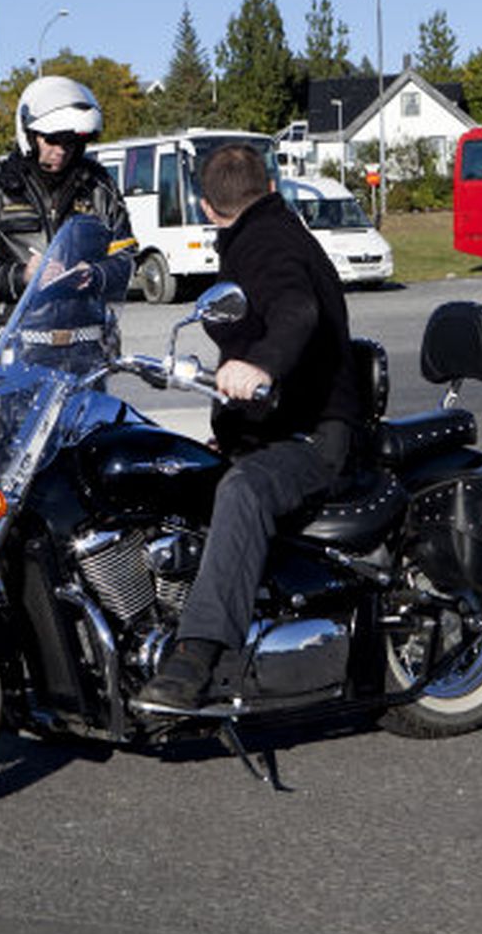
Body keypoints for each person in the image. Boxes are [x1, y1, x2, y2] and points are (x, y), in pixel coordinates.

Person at [139, 143, 361, 709]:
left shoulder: (267, 242)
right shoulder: (266, 231)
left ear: (206, 206)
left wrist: (261, 363)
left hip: (313, 436)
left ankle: (197, 655)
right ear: (268, 186)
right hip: (278, 429)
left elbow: (296, 310)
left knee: (243, 489)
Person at [0, 75, 135, 367]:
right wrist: (21, 275)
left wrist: (95, 274)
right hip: (13, 344)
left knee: (96, 414)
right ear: (30, 133)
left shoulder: (98, 184)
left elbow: (126, 257)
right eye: (53, 139)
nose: (62, 149)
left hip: (85, 345)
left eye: (72, 141)